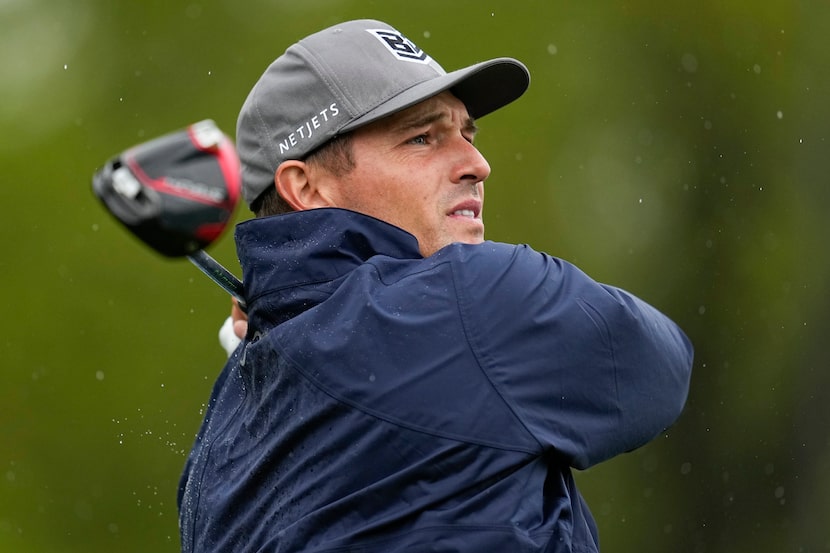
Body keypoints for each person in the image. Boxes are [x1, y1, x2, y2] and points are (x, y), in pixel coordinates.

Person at [177, 19, 694, 553]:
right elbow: (658, 366)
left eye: (467, 134)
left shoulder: (219, 442)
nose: (477, 164)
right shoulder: (474, 298)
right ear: (306, 186)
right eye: (422, 138)